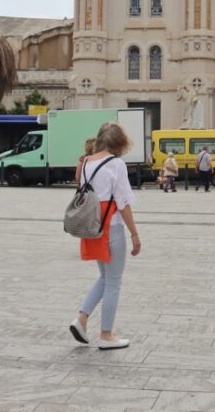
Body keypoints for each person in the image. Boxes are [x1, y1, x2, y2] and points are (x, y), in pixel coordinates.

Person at [70, 122, 141, 350]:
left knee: (105, 278)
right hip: (111, 226)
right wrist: (135, 234)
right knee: (114, 282)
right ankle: (106, 335)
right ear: (119, 143)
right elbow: (123, 203)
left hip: (92, 225)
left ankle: (81, 319)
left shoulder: (86, 163)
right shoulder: (116, 164)